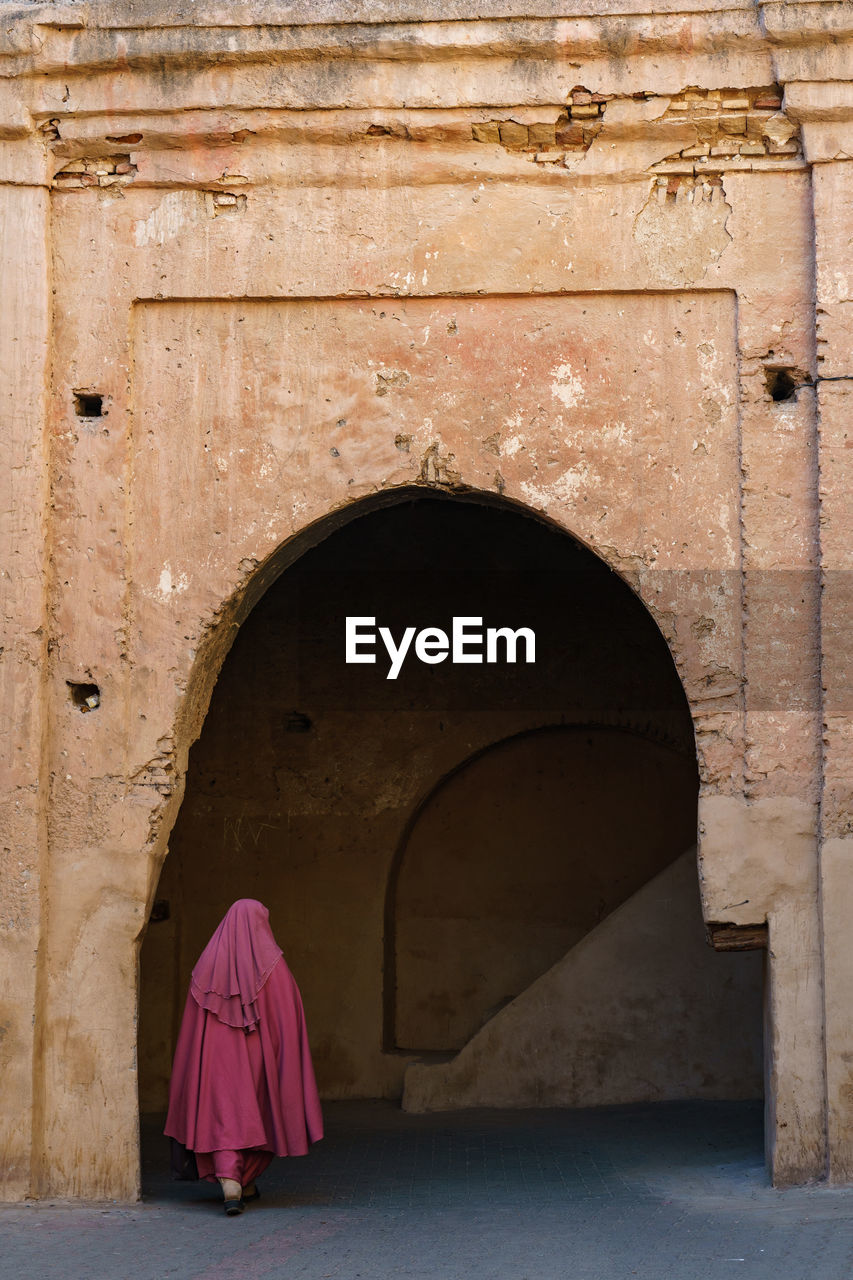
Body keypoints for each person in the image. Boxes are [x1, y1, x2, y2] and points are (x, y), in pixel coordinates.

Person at [164, 898, 323, 1215]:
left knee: (222, 1114)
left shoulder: (206, 966)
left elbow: (192, 1030)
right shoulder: (275, 968)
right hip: (259, 1061)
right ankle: (239, 1182)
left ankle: (234, 1183)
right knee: (260, 1114)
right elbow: (289, 1017)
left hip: (215, 1066)